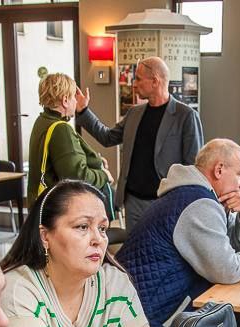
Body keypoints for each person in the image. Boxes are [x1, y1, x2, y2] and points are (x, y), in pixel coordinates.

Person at [0, 180, 163, 327]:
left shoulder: (113, 281)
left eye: (102, 228)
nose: (98, 239)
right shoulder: (17, 289)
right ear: (45, 236)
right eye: (82, 227)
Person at [117, 139, 240, 327]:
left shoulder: (193, 195)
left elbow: (235, 249)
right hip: (151, 320)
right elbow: (228, 270)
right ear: (219, 170)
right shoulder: (199, 205)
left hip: (142, 308)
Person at [74, 56, 203, 232]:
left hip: (165, 202)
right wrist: (83, 111)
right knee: (134, 248)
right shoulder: (134, 113)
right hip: (132, 202)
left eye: (139, 79)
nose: (134, 84)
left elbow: (193, 166)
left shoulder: (186, 116)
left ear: (155, 81)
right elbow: (107, 137)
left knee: (160, 248)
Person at [25, 73, 114, 217]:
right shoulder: (61, 129)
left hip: (43, 206)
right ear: (65, 100)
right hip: (58, 210)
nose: (76, 101)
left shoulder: (42, 121)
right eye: (73, 97)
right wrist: (103, 175)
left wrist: (94, 160)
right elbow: (78, 176)